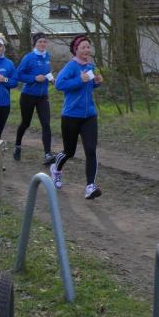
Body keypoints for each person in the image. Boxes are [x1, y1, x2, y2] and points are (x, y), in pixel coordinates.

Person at [50, 34, 103, 200]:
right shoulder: (71, 66)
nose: (87, 50)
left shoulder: (91, 66)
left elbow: (89, 86)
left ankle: (90, 186)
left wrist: (97, 82)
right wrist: (80, 79)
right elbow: (59, 84)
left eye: (88, 47)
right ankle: (56, 170)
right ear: (76, 50)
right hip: (71, 115)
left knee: (91, 150)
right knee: (69, 151)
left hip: (89, 116)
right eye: (83, 47)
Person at [13, 32, 55, 165]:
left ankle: (47, 154)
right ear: (35, 44)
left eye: (44, 41)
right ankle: (17, 145)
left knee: (46, 124)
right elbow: (18, 75)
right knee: (25, 123)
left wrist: (51, 78)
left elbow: (47, 71)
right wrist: (34, 78)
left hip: (43, 96)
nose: (42, 44)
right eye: (39, 42)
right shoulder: (28, 58)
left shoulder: (47, 56)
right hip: (28, 96)